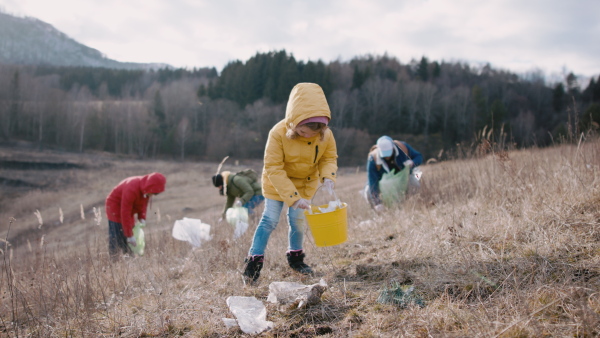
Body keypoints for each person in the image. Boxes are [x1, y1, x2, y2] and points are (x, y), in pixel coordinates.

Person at [243, 82, 338, 283]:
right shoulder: (278, 133)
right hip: (277, 182)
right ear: (295, 122)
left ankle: (296, 259)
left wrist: (328, 176)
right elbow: (273, 168)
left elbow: (328, 158)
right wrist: (292, 198)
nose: (309, 136)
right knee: (269, 220)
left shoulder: (326, 134)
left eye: (314, 133)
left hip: (305, 183)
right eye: (304, 132)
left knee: (298, 220)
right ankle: (253, 263)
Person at [105, 172, 166, 258]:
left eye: (156, 194)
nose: (153, 195)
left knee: (131, 228)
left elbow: (144, 202)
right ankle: (115, 259)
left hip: (129, 208)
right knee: (118, 233)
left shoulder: (146, 189)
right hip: (115, 207)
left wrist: (142, 217)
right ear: (150, 188)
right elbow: (125, 212)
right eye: (154, 193)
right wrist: (129, 235)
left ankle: (129, 257)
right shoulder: (131, 189)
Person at [365, 136, 423, 211]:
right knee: (368, 191)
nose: (387, 157)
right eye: (385, 154)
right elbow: (372, 181)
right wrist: (377, 202)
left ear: (393, 147)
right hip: (384, 184)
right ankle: (379, 213)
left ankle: (414, 207)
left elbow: (419, 156)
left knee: (415, 183)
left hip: (405, 178)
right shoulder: (373, 159)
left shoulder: (403, 147)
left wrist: (412, 162)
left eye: (389, 152)